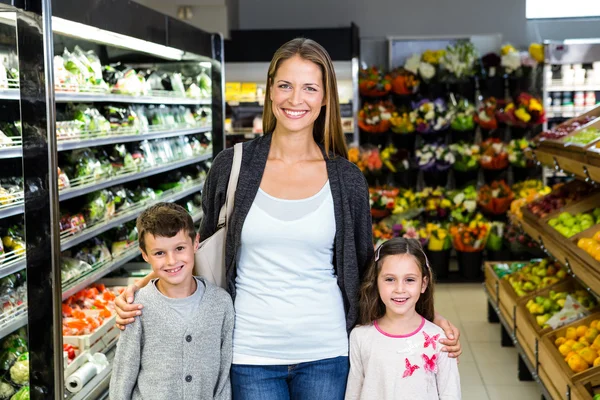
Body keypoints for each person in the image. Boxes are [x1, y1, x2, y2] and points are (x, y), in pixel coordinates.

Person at [114, 38, 462, 400]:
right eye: (285, 85)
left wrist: (425, 321)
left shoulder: (346, 179)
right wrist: (142, 290)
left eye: (310, 88)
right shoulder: (231, 167)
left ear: (325, 97)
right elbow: (195, 253)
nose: (296, 99)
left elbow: (365, 271)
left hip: (326, 352)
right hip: (250, 354)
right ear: (270, 90)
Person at [109, 203, 234, 400]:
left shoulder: (220, 303)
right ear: (144, 255)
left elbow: (223, 376)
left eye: (179, 248)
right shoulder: (138, 307)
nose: (171, 261)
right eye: (159, 253)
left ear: (195, 244)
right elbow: (123, 374)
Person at [345, 238, 461, 400]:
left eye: (410, 280)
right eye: (390, 279)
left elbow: (451, 394)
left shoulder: (439, 340)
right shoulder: (360, 336)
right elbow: (353, 392)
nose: (400, 289)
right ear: (376, 282)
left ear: (423, 284)